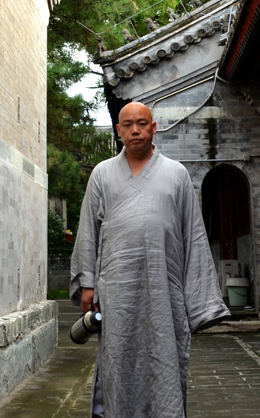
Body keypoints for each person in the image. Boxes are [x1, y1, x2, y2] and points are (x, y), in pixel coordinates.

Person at [70, 101, 229, 418]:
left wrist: (196, 300)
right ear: (118, 131)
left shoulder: (177, 174)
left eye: (141, 123)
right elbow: (88, 230)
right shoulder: (102, 174)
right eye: (127, 125)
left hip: (163, 291)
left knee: (165, 361)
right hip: (117, 291)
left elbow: (194, 235)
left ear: (153, 127)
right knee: (118, 359)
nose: (135, 130)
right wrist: (87, 285)